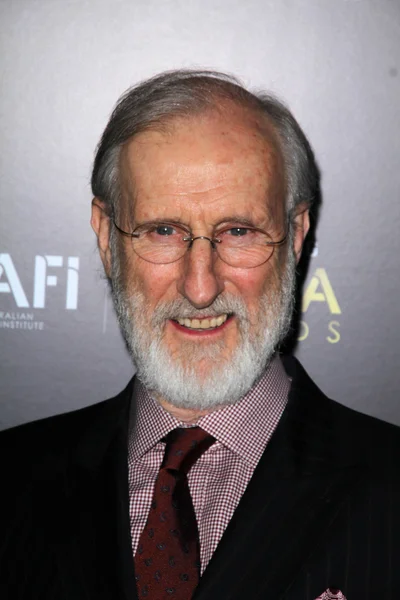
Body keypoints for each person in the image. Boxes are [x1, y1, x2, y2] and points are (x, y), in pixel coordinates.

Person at [0, 70, 399, 600]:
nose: (201, 287)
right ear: (105, 235)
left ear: (296, 235)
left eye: (239, 231)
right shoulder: (9, 481)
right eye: (163, 230)